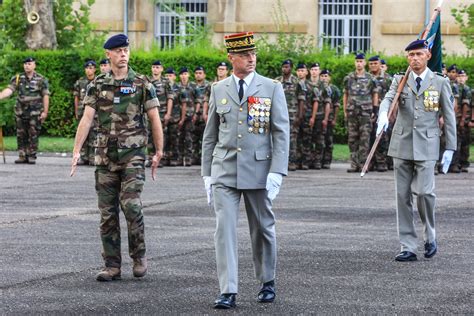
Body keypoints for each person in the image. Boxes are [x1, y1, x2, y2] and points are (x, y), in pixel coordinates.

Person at [201, 31, 289, 309]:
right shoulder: (218, 88)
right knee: (223, 229)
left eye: (253, 54)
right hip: (224, 169)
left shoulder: (271, 87)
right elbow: (210, 135)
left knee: (262, 228)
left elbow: (281, 131)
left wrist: (277, 170)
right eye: (244, 55)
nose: (251, 59)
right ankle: (228, 289)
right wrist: (206, 172)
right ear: (231, 58)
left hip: (259, 169)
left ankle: (267, 281)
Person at [70, 34, 164, 281]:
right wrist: (77, 150)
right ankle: (112, 265)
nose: (123, 54)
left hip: (133, 156)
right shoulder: (98, 85)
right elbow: (87, 118)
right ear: (108, 54)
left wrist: (158, 152)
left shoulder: (142, 84)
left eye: (126, 50)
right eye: (118, 51)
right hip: (105, 157)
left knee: (131, 206)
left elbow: (154, 118)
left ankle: (139, 256)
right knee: (107, 213)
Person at [377, 39, 456, 262]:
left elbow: (449, 117)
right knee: (402, 197)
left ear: (428, 56)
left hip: (428, 146)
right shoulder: (399, 80)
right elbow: (388, 100)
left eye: (419, 54)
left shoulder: (439, 82)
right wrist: (383, 115)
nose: (415, 59)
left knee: (424, 193)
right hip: (401, 145)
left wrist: (450, 147)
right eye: (411, 55)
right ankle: (408, 246)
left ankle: (430, 235)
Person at [0, 57, 50, 164]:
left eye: (29, 64)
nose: (27, 66)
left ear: (34, 65)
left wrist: (45, 112)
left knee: (33, 133)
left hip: (35, 112)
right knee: (20, 133)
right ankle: (22, 155)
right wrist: (1, 96)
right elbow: (10, 90)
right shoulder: (18, 78)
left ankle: (31, 155)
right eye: (25, 64)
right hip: (20, 112)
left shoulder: (41, 79)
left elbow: (45, 95)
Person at [343, 53, 379, 172]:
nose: (359, 63)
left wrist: (375, 110)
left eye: (361, 61)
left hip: (365, 112)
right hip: (352, 111)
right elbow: (346, 94)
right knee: (352, 138)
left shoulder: (370, 78)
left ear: (364, 63)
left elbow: (375, 94)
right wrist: (345, 110)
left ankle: (364, 164)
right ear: (355, 63)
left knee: (365, 138)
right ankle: (354, 164)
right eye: (357, 61)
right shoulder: (349, 78)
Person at [146, 60, 174, 167]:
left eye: (157, 67)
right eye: (153, 67)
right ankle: (150, 158)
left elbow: (170, 98)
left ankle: (160, 158)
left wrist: (168, 113)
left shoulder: (166, 82)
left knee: (162, 136)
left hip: (161, 113)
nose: (155, 69)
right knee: (149, 135)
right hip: (149, 113)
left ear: (161, 69)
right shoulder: (148, 81)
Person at [368, 55, 393, 172]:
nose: (373, 66)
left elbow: (394, 96)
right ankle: (370, 162)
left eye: (375, 63)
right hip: (368, 111)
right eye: (371, 64)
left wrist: (393, 113)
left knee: (383, 137)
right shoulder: (366, 78)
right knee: (369, 136)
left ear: (379, 64)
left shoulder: (388, 79)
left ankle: (382, 162)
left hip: (384, 111)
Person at [275, 59, 299, 171]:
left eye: (287, 67)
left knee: (292, 139)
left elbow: (302, 100)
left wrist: (300, 115)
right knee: (278, 138)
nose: (285, 69)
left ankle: (292, 162)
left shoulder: (297, 82)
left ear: (291, 68)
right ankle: (280, 162)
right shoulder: (276, 81)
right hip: (278, 114)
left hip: (292, 114)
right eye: (283, 66)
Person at [73, 59, 97, 165]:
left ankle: (92, 156)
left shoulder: (98, 82)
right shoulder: (80, 82)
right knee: (83, 133)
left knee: (94, 134)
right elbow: (76, 97)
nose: (89, 70)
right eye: (87, 68)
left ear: (95, 69)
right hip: (82, 111)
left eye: (91, 68)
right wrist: (76, 110)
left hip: (95, 113)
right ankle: (83, 156)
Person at [319, 69, 341, 169]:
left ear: (330, 78)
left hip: (329, 118)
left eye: (326, 76)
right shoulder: (317, 87)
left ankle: (327, 161)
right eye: (322, 76)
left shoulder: (334, 89)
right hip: (319, 117)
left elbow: (336, 105)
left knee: (328, 139)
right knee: (319, 140)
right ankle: (318, 160)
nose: (324, 78)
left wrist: (335, 119)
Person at [192, 66, 210, 165]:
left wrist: (205, 113)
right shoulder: (192, 85)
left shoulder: (209, 85)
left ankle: (204, 158)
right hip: (193, 115)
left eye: (200, 73)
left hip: (204, 115)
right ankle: (194, 158)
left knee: (205, 138)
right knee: (193, 137)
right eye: (196, 73)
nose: (198, 75)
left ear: (204, 74)